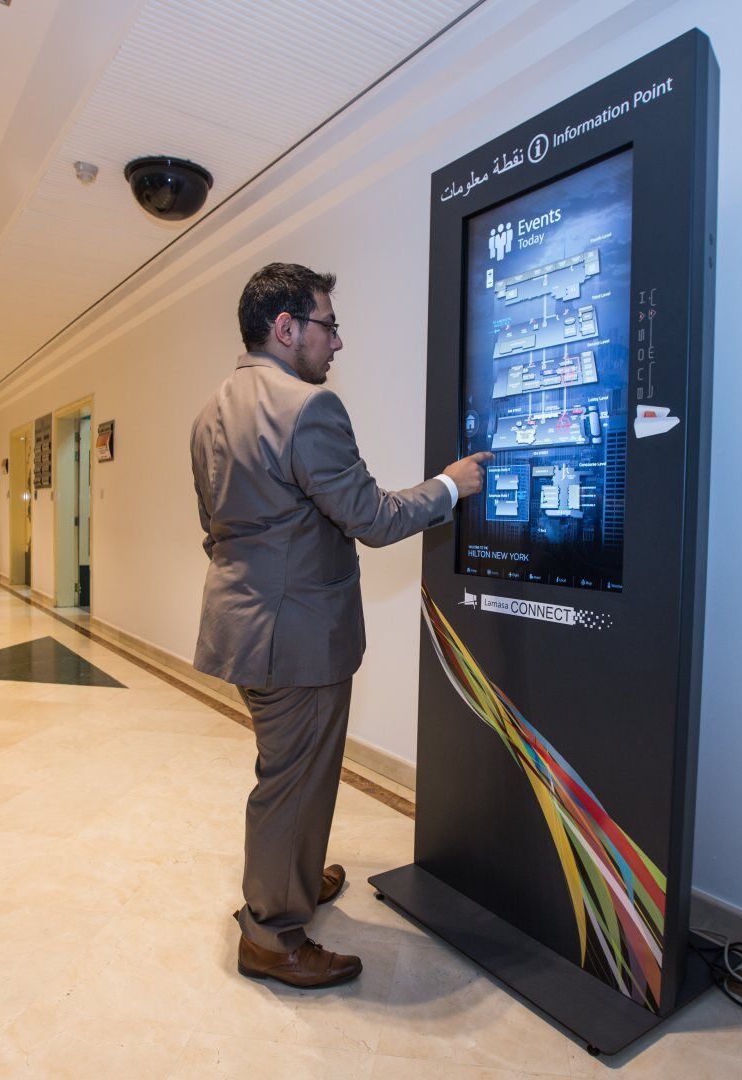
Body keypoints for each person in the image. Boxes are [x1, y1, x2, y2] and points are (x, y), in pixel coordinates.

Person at [190, 262, 490, 988]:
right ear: (286, 328)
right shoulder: (306, 409)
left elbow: (218, 527)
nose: (338, 342)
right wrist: (452, 485)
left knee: (293, 774)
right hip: (296, 639)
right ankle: (271, 933)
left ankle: (288, 882)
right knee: (291, 785)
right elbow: (375, 519)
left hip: (241, 626)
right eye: (328, 325)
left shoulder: (211, 412)